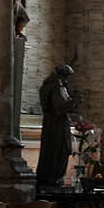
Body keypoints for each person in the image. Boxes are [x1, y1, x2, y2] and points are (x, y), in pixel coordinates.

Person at [34, 63, 79, 198]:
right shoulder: (57, 87)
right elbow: (60, 107)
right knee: (59, 150)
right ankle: (54, 180)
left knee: (51, 151)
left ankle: (50, 178)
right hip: (57, 124)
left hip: (50, 124)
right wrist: (74, 100)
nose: (67, 80)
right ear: (62, 75)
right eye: (67, 77)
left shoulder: (47, 86)